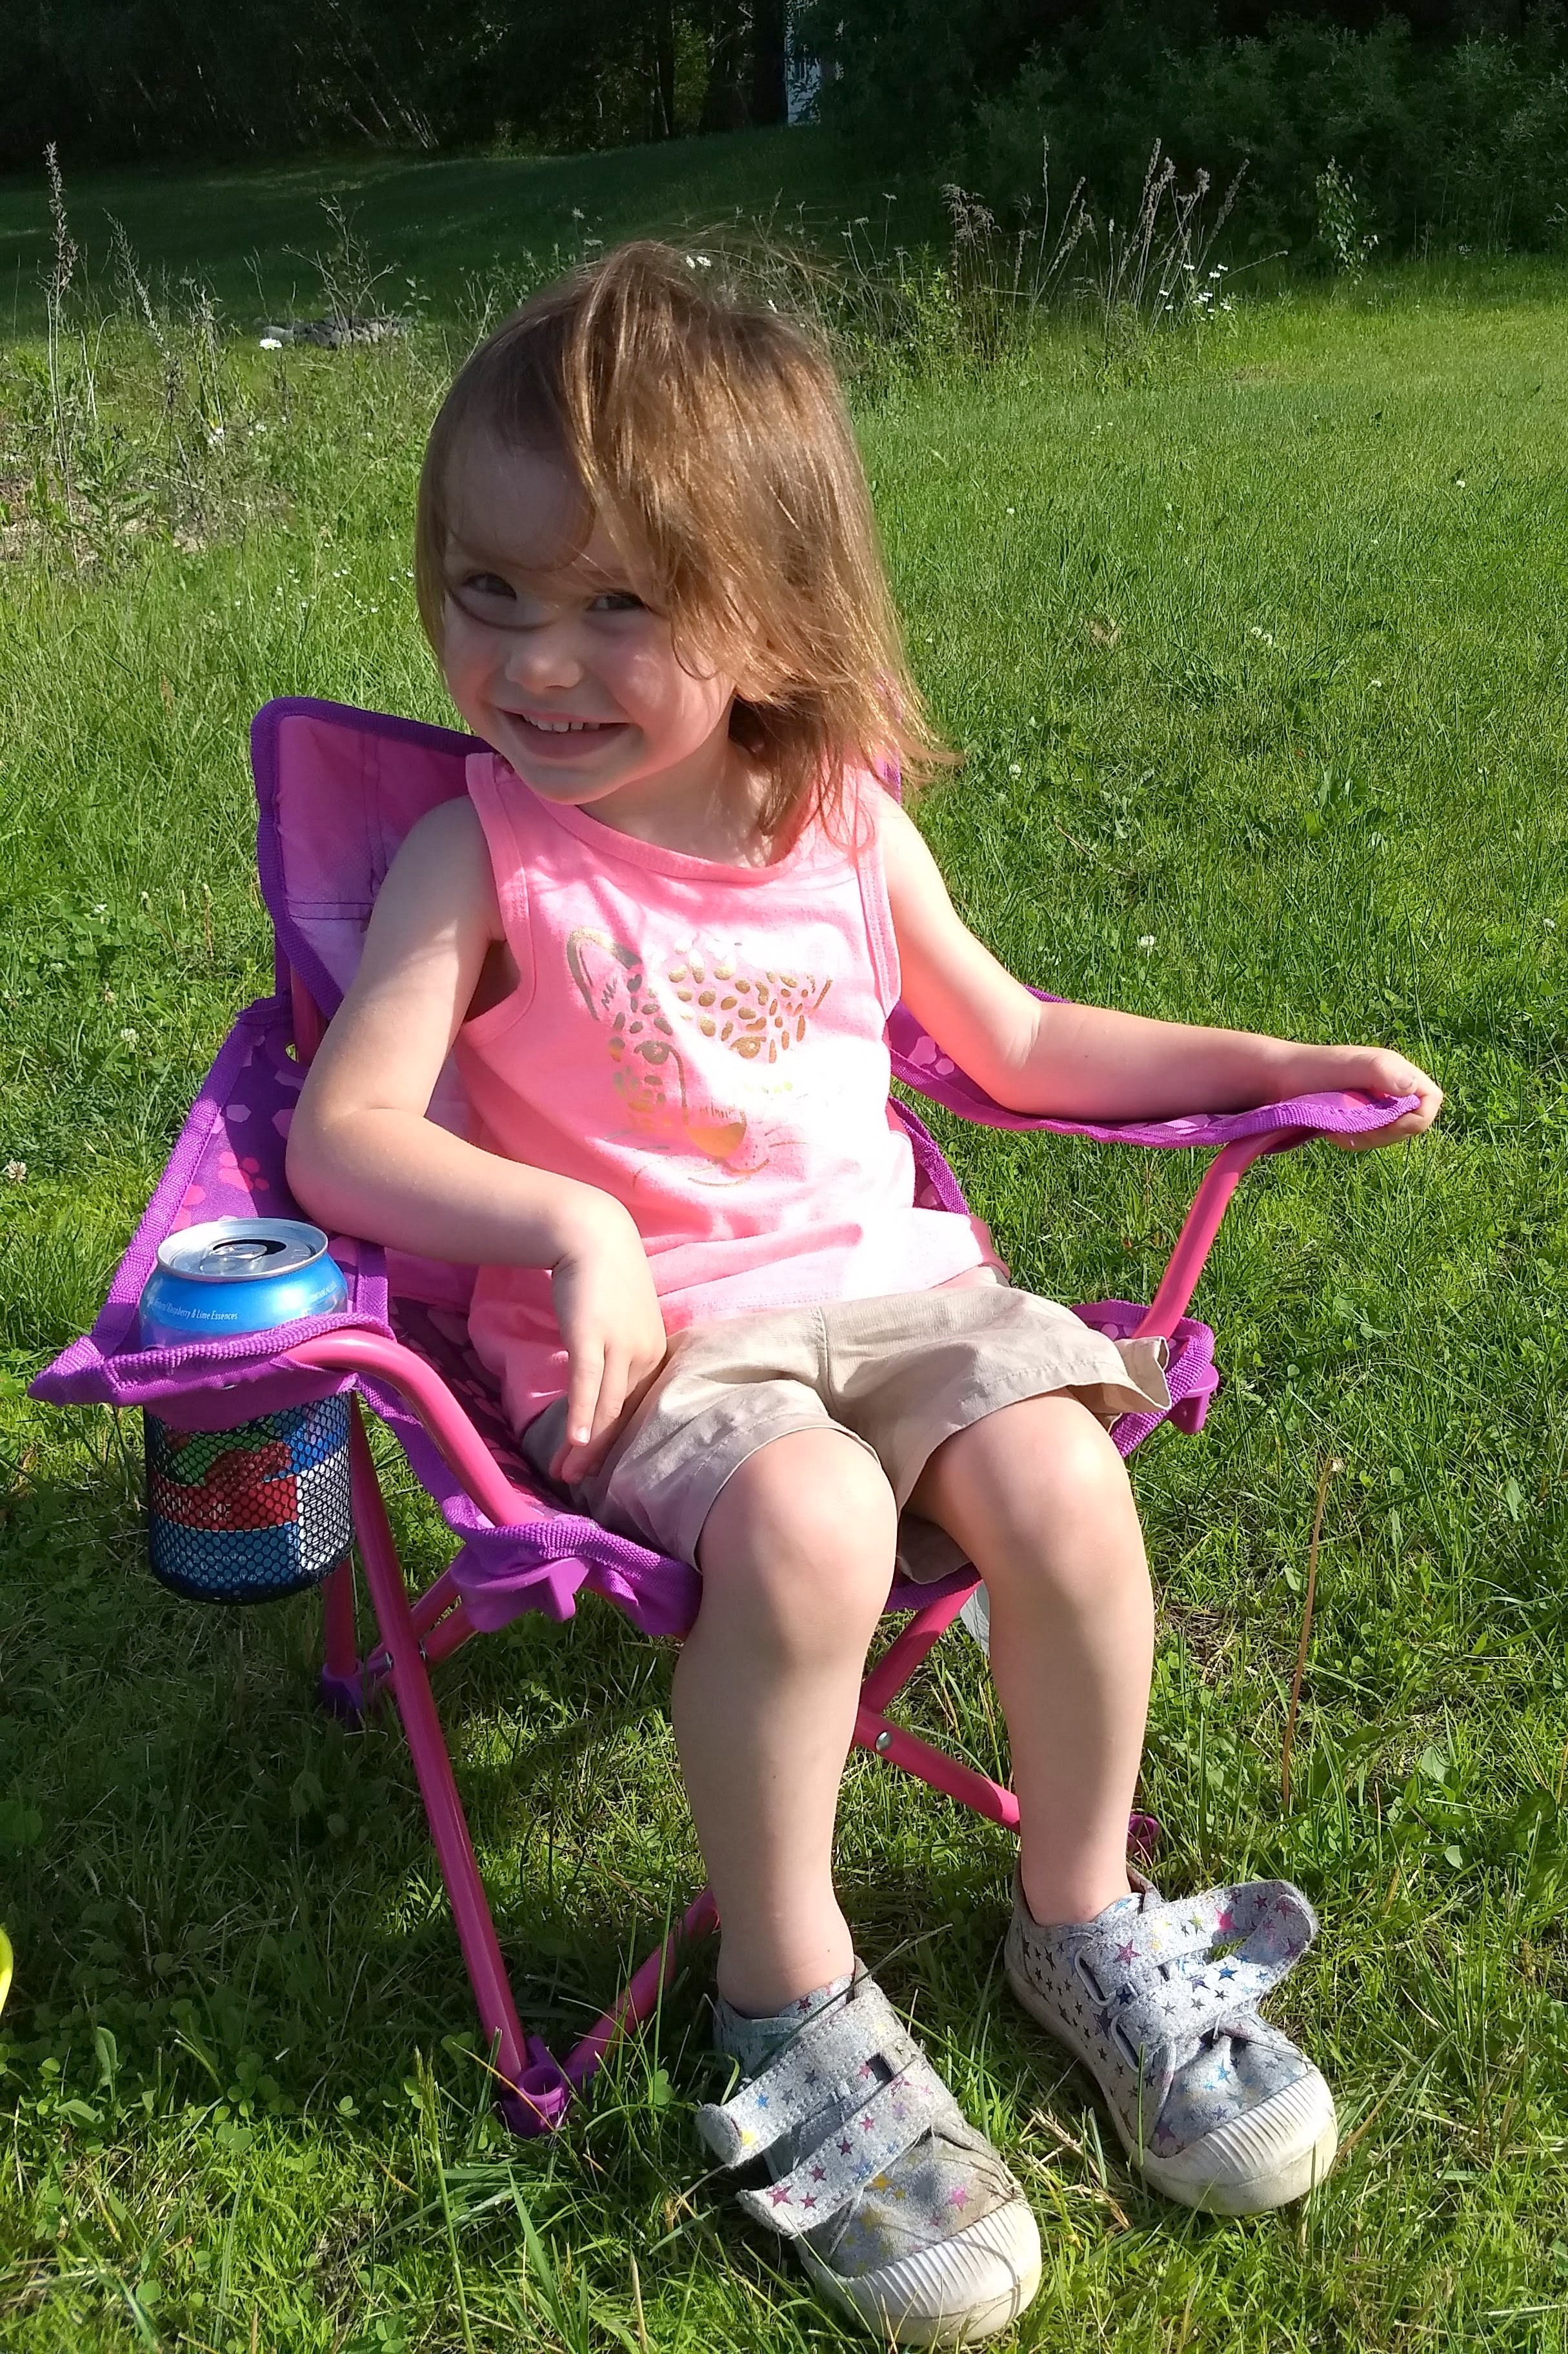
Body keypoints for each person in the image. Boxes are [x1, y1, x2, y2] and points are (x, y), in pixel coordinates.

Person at [286, 243, 1440, 2346]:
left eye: (619, 604)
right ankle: (786, 1999)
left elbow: (1023, 1041)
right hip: (662, 1347)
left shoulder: (838, 824)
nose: (537, 661)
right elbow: (342, 1135)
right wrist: (572, 1228)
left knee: (1067, 1477)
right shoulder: (485, 856)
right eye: (488, 590)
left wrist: (1273, 1058)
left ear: (775, 612)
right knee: (817, 1522)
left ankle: (1079, 1909)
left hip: (899, 1290)